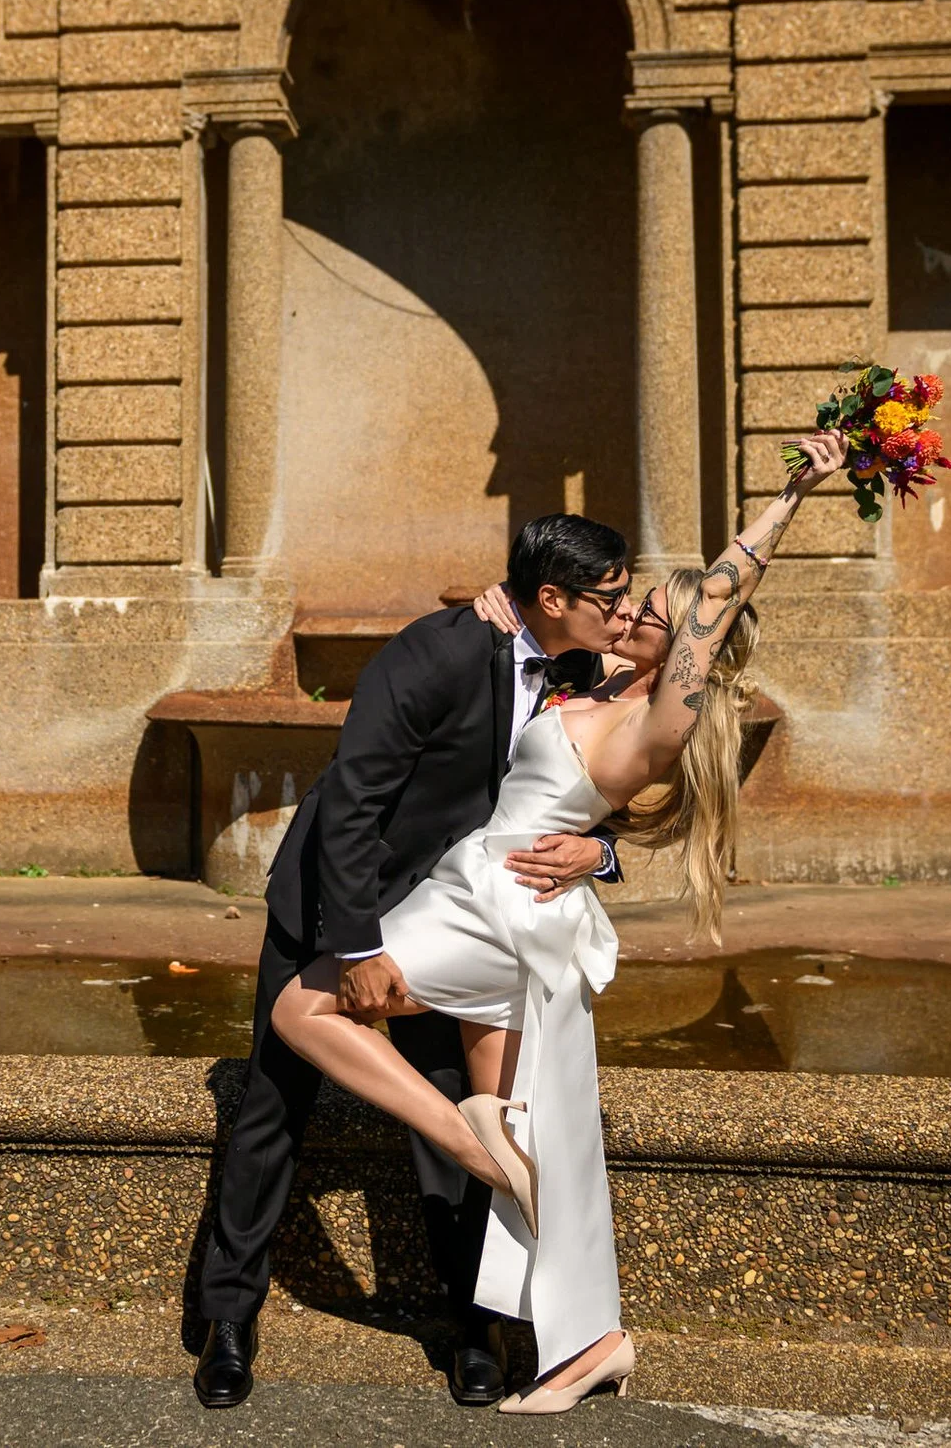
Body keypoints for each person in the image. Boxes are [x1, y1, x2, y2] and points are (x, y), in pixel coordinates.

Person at [269, 426, 850, 1413]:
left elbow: (719, 593)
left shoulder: (661, 715)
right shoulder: (595, 679)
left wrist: (793, 493)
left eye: (648, 613)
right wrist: (497, 602)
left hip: (497, 908)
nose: (628, 612)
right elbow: (525, 665)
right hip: (496, 900)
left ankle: (469, 1146)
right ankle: (589, 1341)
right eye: (623, 601)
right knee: (532, 1140)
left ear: (688, 650)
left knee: (304, 1009)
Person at [191, 515, 636, 1409]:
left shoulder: (586, 666)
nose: (624, 611)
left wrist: (603, 853)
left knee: (458, 1105)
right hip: (339, 904)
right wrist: (355, 944)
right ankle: (227, 1320)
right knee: (272, 1106)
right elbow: (352, 797)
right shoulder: (436, 652)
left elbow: (604, 791)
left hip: (455, 916)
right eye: (610, 595)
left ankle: (472, 1328)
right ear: (552, 598)